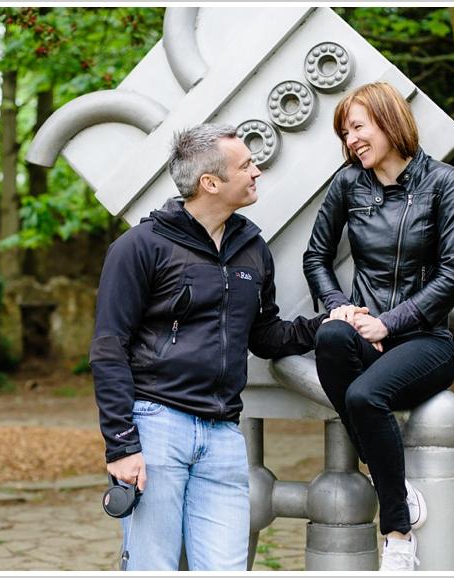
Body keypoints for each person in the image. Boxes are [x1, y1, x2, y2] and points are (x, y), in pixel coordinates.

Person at [90, 123, 326, 571]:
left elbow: (265, 335)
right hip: (157, 424)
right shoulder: (139, 247)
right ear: (210, 183)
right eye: (245, 165)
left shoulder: (251, 247)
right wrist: (121, 446)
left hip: (222, 435)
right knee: (152, 565)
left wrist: (325, 325)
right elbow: (108, 347)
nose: (256, 171)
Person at [303, 82, 454, 571]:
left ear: (389, 120)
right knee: (331, 336)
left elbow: (453, 274)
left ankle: (398, 536)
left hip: (425, 341)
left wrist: (388, 323)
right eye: (345, 133)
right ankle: (392, 481)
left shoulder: (444, 183)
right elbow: (316, 256)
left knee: (361, 398)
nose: (351, 140)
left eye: (358, 126)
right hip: (363, 334)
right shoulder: (347, 184)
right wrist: (341, 306)